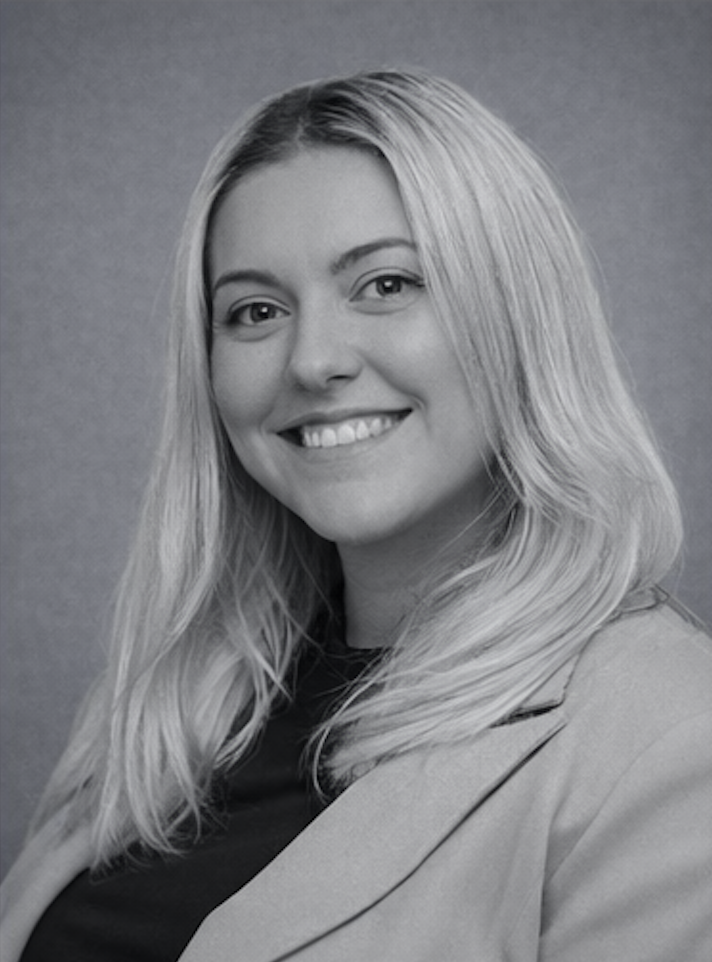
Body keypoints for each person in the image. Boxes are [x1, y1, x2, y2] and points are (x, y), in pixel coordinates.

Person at [1, 68, 711, 962]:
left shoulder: (669, 738)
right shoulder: (167, 700)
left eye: (386, 284)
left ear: (518, 316)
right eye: (255, 310)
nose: (314, 360)